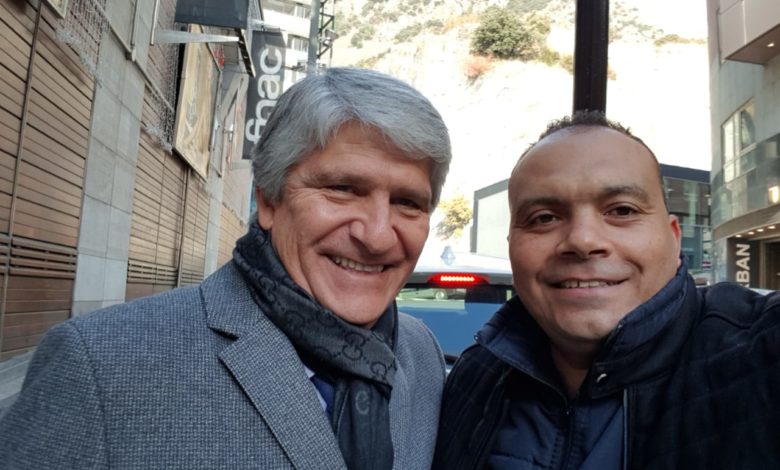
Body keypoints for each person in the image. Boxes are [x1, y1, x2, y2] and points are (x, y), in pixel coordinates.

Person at [0, 67, 451, 469]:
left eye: (407, 202)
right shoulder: (100, 364)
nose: (377, 236)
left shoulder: (420, 354)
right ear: (268, 201)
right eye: (343, 189)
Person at [433, 111, 780, 469]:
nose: (583, 241)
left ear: (674, 238)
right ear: (512, 246)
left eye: (623, 210)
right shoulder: (475, 376)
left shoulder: (762, 351)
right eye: (544, 218)